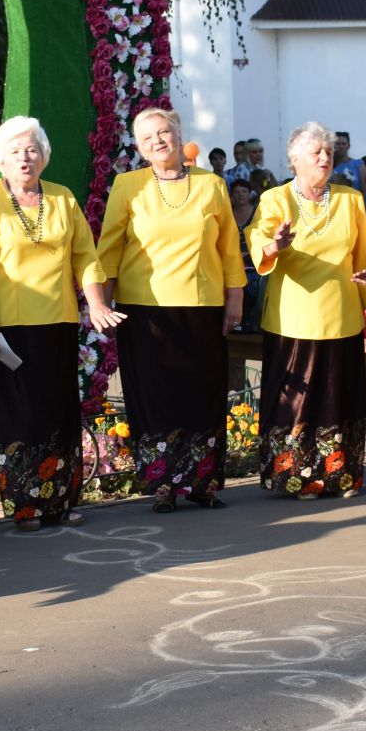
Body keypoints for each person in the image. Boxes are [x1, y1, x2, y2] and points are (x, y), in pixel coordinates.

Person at [0, 116, 120, 530]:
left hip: (58, 322)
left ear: (44, 154)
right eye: (15, 152)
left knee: (58, 411)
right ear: (1, 159)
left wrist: (97, 304)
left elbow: (85, 256)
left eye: (31, 149)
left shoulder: (64, 198)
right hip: (8, 328)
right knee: (19, 415)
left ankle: (61, 500)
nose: (24, 158)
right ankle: (25, 504)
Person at [96, 106, 246, 512]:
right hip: (146, 311)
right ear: (140, 149)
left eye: (164, 132)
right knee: (157, 397)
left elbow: (229, 247)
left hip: (202, 305)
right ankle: (164, 484)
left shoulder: (211, 183)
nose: (158, 141)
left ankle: (202, 482)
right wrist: (101, 302)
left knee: (202, 393)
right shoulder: (127, 186)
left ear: (179, 135)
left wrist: (235, 297)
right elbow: (109, 249)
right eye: (148, 138)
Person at [248, 122, 366, 498]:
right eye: (316, 152)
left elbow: (363, 258)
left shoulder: (349, 199)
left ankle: (340, 475)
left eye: (329, 151)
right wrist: (274, 246)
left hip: (342, 314)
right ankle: (297, 477)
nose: (325, 157)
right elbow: (259, 240)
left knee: (339, 396)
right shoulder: (276, 199)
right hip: (293, 318)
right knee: (296, 402)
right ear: (294, 160)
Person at [229, 177, 264, 333]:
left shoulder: (258, 211)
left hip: (253, 260)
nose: (240, 195)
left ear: (250, 194)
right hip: (231, 259)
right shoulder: (227, 211)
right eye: (237, 192)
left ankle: (253, 324)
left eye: (244, 191)